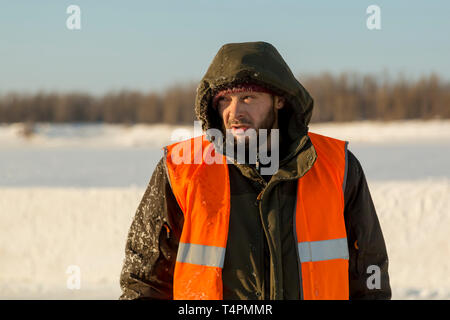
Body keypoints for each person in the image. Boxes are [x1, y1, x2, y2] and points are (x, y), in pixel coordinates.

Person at [119, 41, 391, 300]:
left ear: (280, 100)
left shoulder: (336, 166)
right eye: (225, 100)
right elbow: (144, 280)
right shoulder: (181, 169)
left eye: (248, 97)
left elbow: (369, 269)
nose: (234, 112)